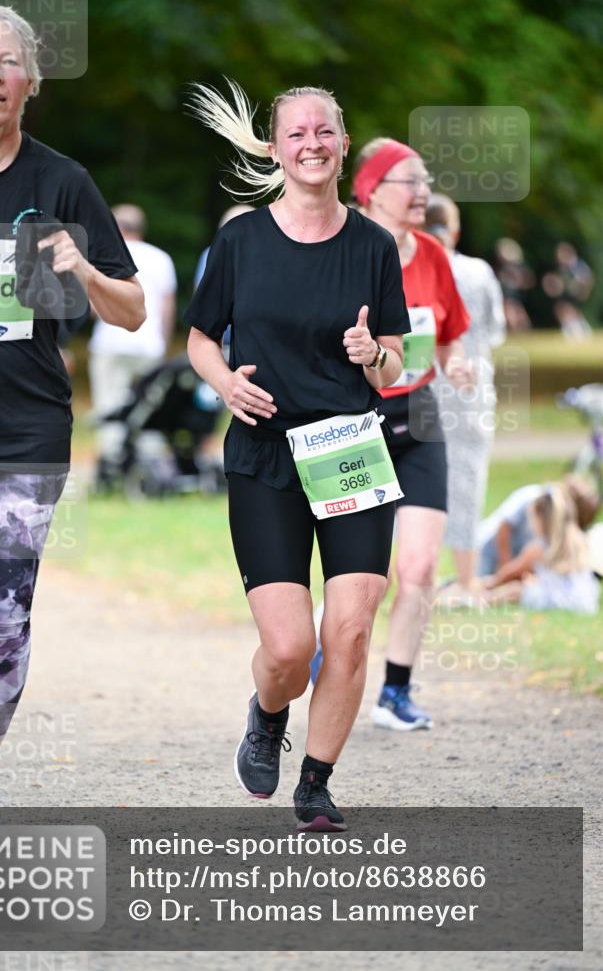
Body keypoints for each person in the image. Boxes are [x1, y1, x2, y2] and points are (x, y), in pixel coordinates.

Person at [0, 4, 145, 857]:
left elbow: (132, 310)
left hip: (28, 430)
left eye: (9, 62)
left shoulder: (61, 181)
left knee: (6, 619)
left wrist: (83, 267)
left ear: (32, 84)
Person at [184, 81, 409, 831]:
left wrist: (371, 351)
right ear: (277, 149)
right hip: (265, 455)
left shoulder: (373, 245)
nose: (310, 144)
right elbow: (198, 339)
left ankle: (314, 781)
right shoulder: (241, 240)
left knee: (349, 625)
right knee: (288, 647)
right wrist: (224, 385)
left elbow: (393, 363)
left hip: (349, 450)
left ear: (343, 144)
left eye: (323, 132)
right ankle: (268, 709)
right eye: (295, 134)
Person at [351, 138, 473, 731]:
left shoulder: (432, 254)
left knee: (420, 567)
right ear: (371, 191)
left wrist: (457, 365)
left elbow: (448, 335)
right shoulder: (344, 251)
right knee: (364, 574)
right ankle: (332, 645)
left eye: (426, 181)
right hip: (356, 417)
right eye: (409, 181)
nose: (423, 192)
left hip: (420, 413)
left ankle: (395, 691)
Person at [425, 194, 506, 607]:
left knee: (419, 484)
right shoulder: (478, 271)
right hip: (471, 392)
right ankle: (466, 578)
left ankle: (417, 574)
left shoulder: (419, 269)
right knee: (468, 480)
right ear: (455, 230)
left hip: (424, 392)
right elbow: (496, 330)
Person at [88, 203, 177, 484]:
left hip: (111, 342)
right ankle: (148, 468)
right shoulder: (161, 258)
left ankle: (112, 466)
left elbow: (94, 305)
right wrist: (163, 343)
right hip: (148, 345)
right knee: (148, 405)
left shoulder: (106, 255)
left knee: (110, 404)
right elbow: (166, 307)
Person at [479, 484, 600, 616]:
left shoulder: (538, 547)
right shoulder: (578, 540)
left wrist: (489, 583)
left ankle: (482, 600)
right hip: (584, 600)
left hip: (556, 599)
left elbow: (510, 573)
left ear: (541, 520)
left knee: (516, 589)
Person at [476, 475, 600, 580]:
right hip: (487, 549)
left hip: (515, 559)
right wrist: (505, 565)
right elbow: (503, 528)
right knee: (482, 581)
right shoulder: (534, 498)